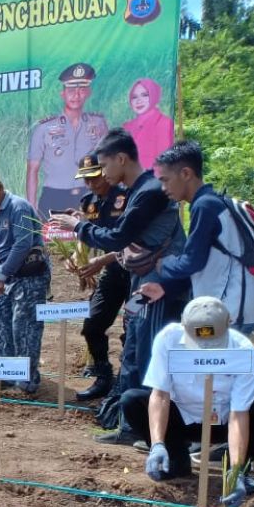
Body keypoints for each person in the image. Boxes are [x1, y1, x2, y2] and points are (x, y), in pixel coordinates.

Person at [50, 128, 188, 443]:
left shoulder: (149, 191)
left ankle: (156, 433)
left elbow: (119, 237)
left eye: (105, 164)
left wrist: (78, 227)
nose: (103, 173)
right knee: (134, 349)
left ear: (121, 159)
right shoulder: (140, 191)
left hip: (159, 287)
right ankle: (131, 426)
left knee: (151, 352)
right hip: (142, 284)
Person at [122, 296, 254, 507]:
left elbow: (239, 413)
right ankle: (174, 458)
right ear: (183, 323)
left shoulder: (244, 351)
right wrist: (157, 444)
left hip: (224, 422)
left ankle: (240, 467)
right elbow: (160, 395)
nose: (205, 348)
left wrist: (235, 469)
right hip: (183, 418)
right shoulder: (168, 338)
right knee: (132, 401)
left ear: (229, 323)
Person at [139, 141, 254, 332]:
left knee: (208, 359)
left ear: (186, 174)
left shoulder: (205, 206)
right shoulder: (211, 202)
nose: (163, 188)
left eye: (165, 180)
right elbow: (203, 262)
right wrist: (165, 287)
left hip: (232, 308)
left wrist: (163, 264)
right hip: (235, 305)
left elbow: (192, 261)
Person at [0, 169, 51, 393]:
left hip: (30, 276)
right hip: (9, 278)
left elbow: (23, 245)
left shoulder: (19, 207)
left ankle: (27, 380)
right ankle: (7, 372)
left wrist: (0, 274)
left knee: (24, 328)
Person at [66, 153, 130, 401]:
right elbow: (85, 238)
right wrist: (76, 257)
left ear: (105, 171)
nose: (90, 183)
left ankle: (126, 382)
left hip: (136, 271)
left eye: (94, 177)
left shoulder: (126, 199)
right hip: (112, 272)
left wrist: (102, 260)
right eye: (85, 179)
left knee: (131, 332)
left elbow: (132, 242)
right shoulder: (88, 202)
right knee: (92, 325)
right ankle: (104, 377)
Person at [27, 63, 109, 215]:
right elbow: (33, 170)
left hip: (89, 194)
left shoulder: (98, 124)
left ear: (88, 92)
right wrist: (31, 210)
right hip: (54, 197)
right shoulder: (44, 128)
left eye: (81, 89)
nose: (76, 95)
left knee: (90, 238)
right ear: (62, 93)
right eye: (71, 90)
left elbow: (107, 162)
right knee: (52, 239)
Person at [122, 77, 175, 170]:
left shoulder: (163, 123)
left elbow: (164, 163)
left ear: (154, 95)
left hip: (152, 181)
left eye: (145, 95)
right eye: (134, 97)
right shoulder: (126, 127)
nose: (139, 100)